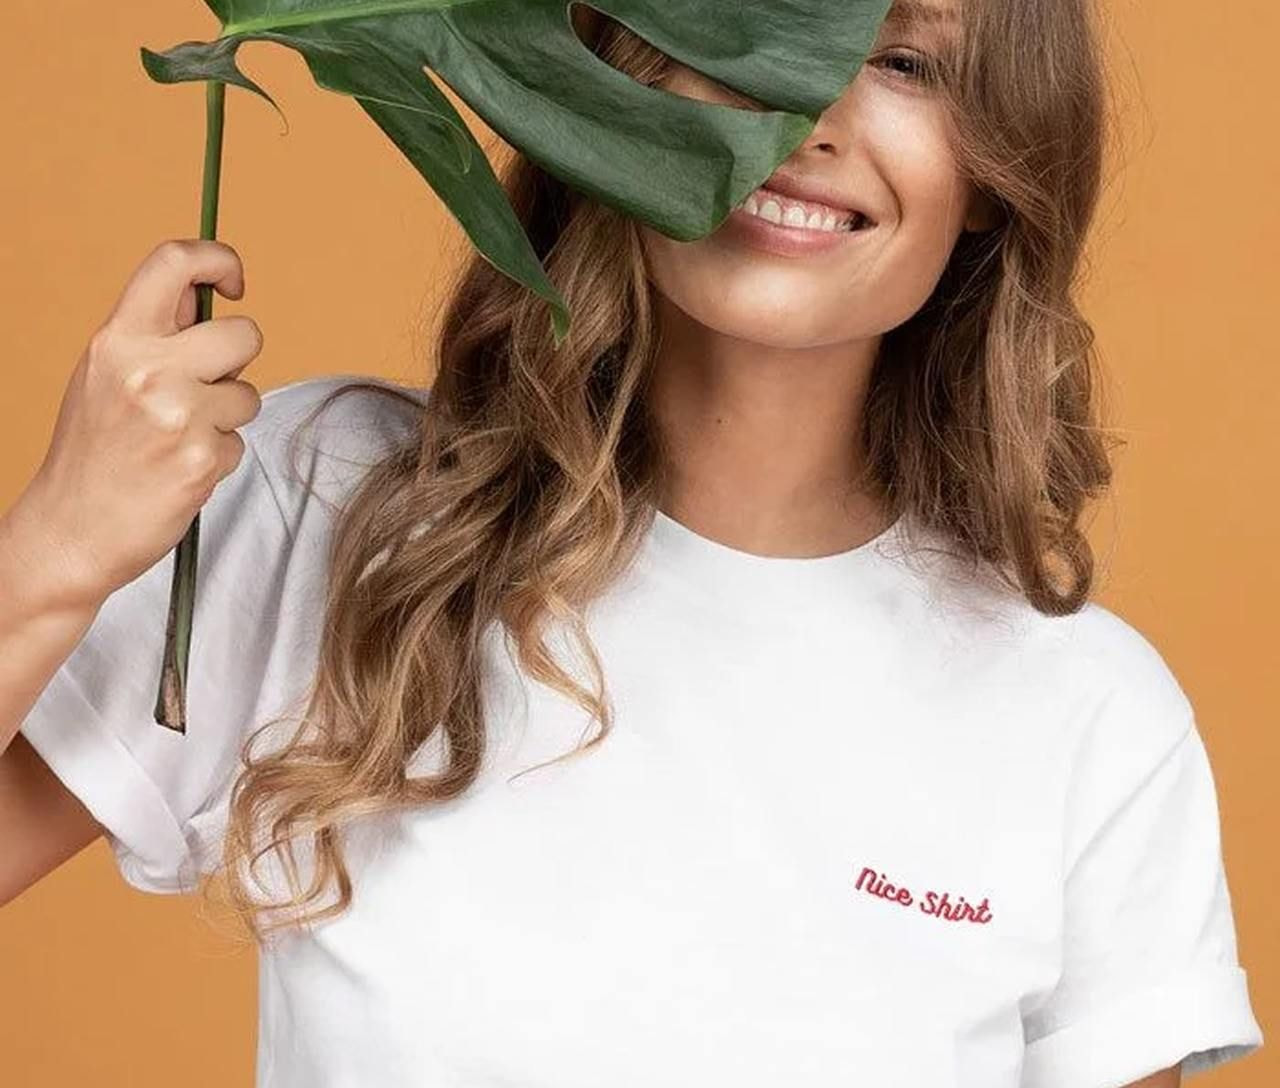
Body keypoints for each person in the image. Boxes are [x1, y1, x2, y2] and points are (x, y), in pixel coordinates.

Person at [0, 1, 1264, 1085]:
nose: (800, 112)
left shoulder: (1087, 718)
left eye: (902, 61)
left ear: (995, 167)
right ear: (601, 79)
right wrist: (51, 549)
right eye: (731, 23)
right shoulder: (331, 512)